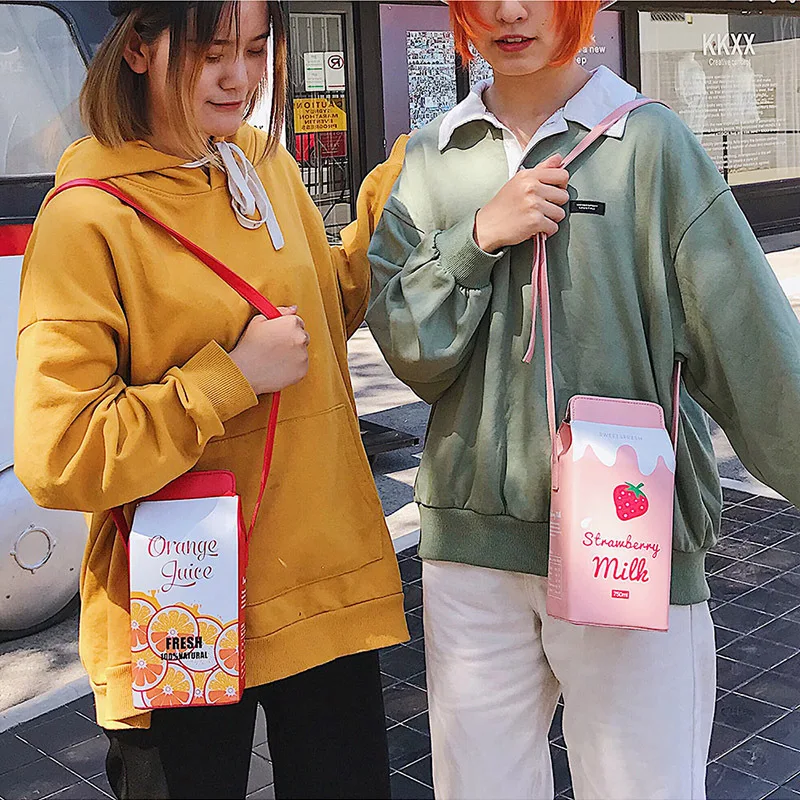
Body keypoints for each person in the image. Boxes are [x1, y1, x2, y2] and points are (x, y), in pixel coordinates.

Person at [366, 2, 800, 799]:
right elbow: (411, 351)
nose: (509, 11)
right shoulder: (430, 159)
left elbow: (755, 349)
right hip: (473, 556)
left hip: (630, 541)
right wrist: (477, 236)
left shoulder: (652, 146)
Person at [14, 2, 409, 798]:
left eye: (258, 50)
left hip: (320, 581)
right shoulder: (86, 218)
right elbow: (60, 454)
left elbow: (325, 310)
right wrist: (228, 379)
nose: (240, 78)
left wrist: (400, 190)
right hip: (181, 605)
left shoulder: (264, 165)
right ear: (138, 49)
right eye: (211, 51)